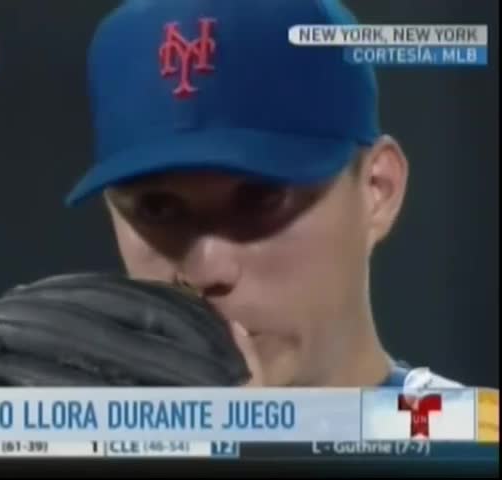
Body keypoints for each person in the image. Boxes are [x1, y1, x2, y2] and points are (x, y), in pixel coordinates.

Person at [63, 0, 460, 388]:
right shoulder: (74, 427)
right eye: (158, 208)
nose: (206, 272)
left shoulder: (470, 429)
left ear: (378, 190)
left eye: (261, 198)